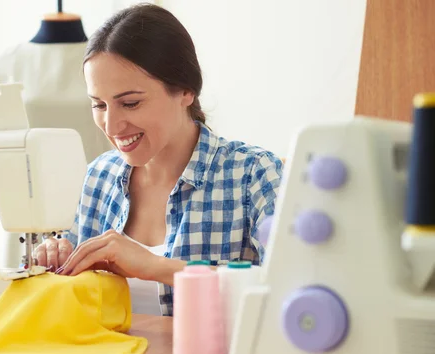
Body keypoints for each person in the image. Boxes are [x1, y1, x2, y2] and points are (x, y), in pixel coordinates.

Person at [34, 3, 283, 316]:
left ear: (185, 91)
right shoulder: (99, 176)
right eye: (99, 105)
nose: (111, 127)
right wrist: (55, 256)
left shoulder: (252, 175)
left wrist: (156, 267)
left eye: (131, 103)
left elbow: (289, 291)